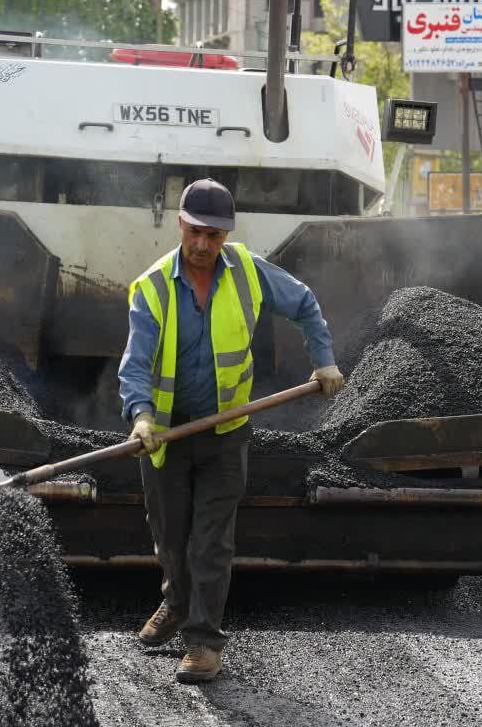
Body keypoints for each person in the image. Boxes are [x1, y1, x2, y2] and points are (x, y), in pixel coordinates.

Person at [118, 178, 345, 684]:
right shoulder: (153, 288)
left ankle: (203, 642)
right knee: (170, 538)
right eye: (195, 232)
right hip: (166, 437)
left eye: (214, 236)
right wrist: (142, 416)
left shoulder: (245, 269)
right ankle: (175, 603)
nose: (203, 245)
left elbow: (304, 304)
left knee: (211, 543)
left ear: (228, 234)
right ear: (180, 224)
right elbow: (135, 365)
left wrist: (323, 361)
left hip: (226, 433)